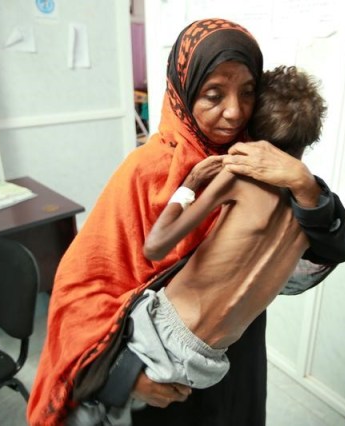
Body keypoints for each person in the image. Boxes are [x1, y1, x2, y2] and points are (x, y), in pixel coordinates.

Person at [27, 18, 345, 426]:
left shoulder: (267, 165)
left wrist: (305, 186)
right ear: (183, 93)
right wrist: (129, 377)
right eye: (213, 95)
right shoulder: (146, 171)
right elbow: (84, 286)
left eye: (248, 92)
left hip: (237, 360)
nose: (234, 112)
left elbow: (334, 248)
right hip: (158, 376)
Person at [121, 65, 330, 399]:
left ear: (250, 129)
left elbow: (155, 247)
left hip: (163, 328)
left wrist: (189, 185)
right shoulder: (310, 210)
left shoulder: (235, 178)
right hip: (211, 359)